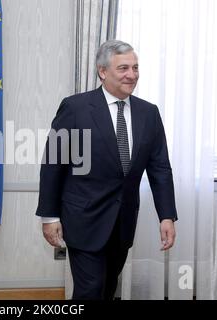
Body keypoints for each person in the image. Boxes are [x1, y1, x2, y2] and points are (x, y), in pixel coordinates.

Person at [36, 40, 177, 300]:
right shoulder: (75, 107)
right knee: (89, 291)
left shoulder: (149, 113)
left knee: (108, 288)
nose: (132, 75)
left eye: (135, 68)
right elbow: (53, 163)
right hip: (83, 219)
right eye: (123, 68)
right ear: (103, 71)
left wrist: (166, 216)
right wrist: (49, 216)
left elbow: (160, 169)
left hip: (122, 223)